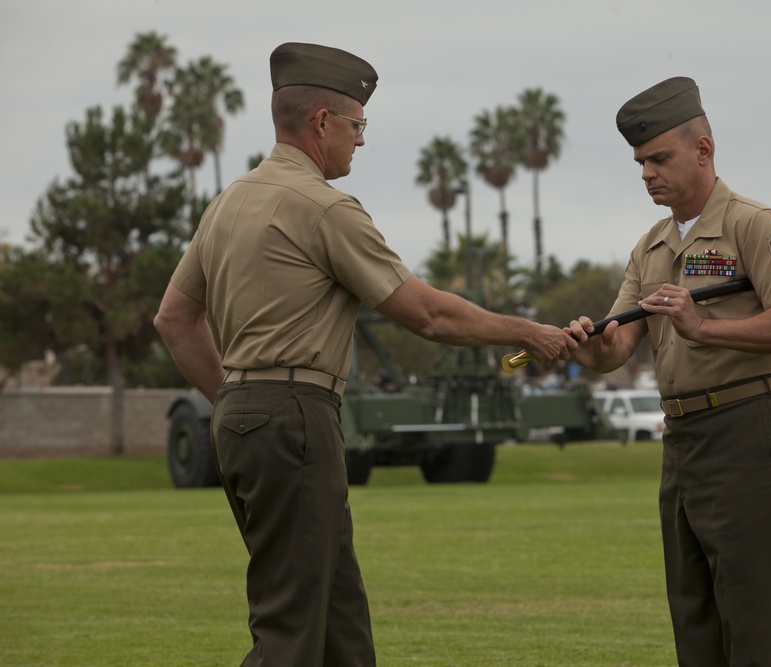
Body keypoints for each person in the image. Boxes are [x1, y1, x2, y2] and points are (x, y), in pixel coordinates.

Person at [153, 42, 575, 667]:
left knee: (339, 625)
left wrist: (234, 401)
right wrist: (528, 332)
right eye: (357, 126)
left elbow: (174, 318)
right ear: (323, 123)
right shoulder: (325, 207)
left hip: (246, 415)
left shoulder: (227, 203)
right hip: (296, 416)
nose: (360, 141)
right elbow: (426, 314)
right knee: (293, 627)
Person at [566, 77, 771, 666]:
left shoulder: (756, 226)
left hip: (753, 429)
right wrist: (586, 349)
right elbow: (618, 344)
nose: (647, 173)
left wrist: (704, 327)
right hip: (683, 438)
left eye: (660, 158)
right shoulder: (651, 247)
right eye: (640, 162)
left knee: (761, 622)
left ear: (703, 150)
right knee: (695, 618)